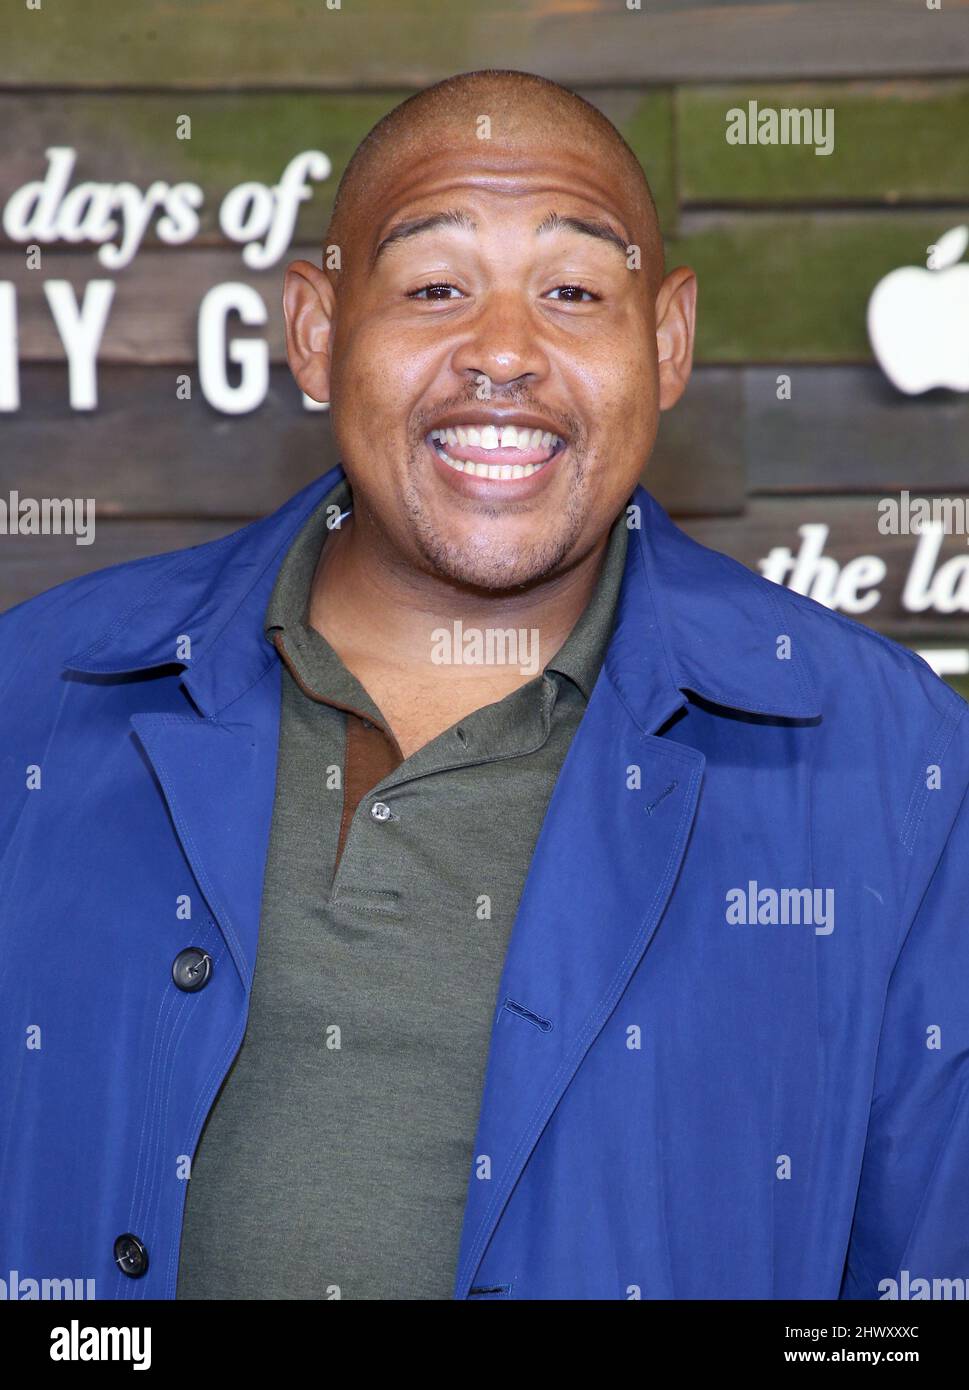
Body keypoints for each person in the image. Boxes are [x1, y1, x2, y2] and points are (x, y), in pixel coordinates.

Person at [1, 69, 968, 1302]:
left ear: (666, 342)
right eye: (435, 287)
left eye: (572, 291)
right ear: (314, 331)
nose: (504, 351)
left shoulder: (892, 765)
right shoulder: (34, 693)